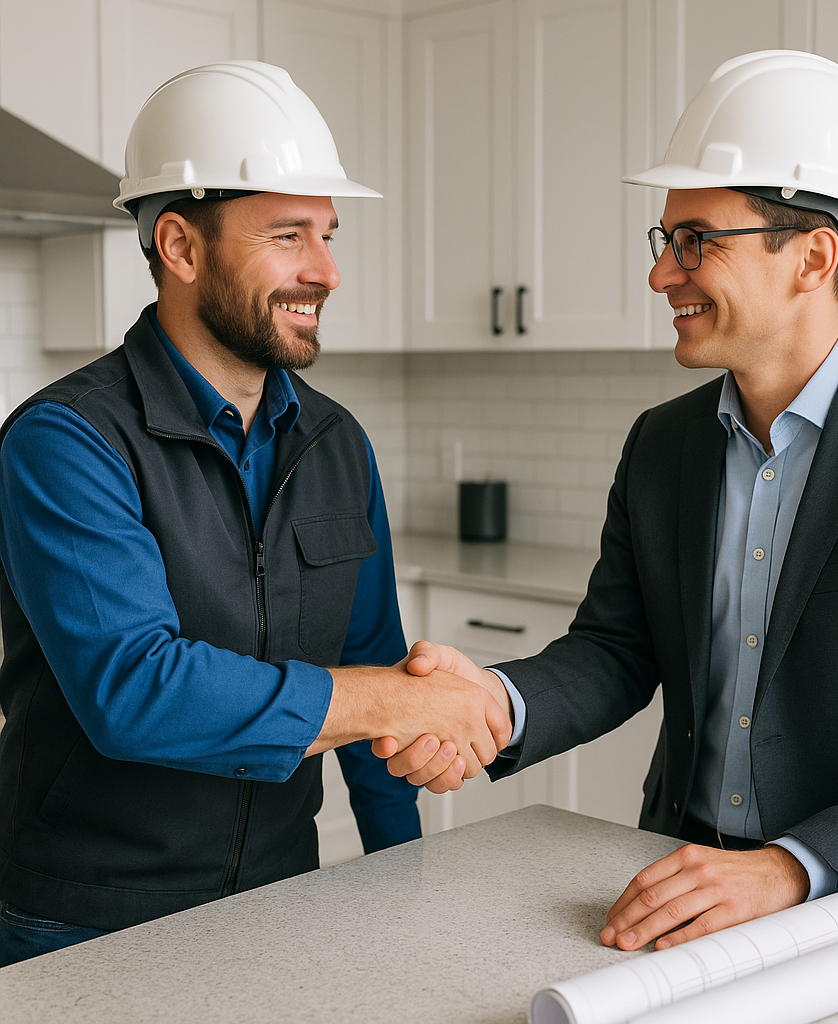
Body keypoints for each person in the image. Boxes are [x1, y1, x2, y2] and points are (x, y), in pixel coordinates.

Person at [380, 50, 838, 949]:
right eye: (665, 241)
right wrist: (493, 702)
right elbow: (615, 649)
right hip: (684, 894)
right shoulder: (662, 444)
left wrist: (789, 867)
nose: (661, 276)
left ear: (813, 256)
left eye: (698, 243)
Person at [0, 61, 509, 967]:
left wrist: (406, 882)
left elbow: (370, 662)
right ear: (181, 248)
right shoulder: (66, 441)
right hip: (84, 919)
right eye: (287, 235)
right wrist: (387, 695)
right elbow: (134, 689)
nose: (328, 270)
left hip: (280, 901)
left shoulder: (335, 443)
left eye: (328, 234)